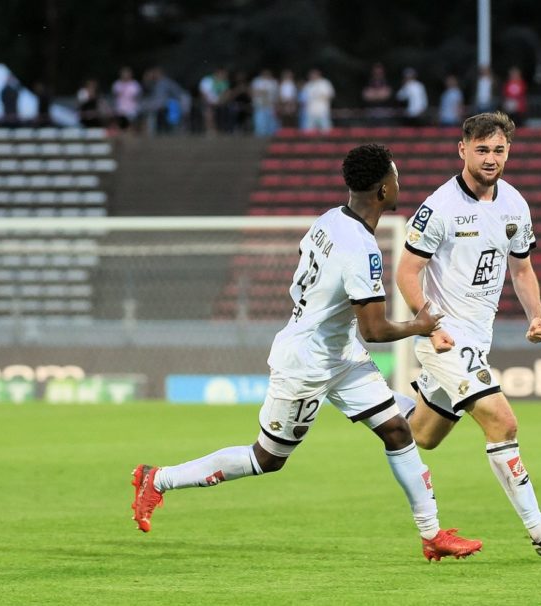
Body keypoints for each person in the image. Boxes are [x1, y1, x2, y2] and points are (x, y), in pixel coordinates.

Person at [131, 144, 483, 561]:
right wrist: (420, 327)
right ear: (384, 190)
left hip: (340, 354)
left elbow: (308, 265)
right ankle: (158, 479)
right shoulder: (361, 248)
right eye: (396, 176)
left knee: (396, 430)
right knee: (267, 458)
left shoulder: (329, 220)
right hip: (307, 364)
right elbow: (374, 329)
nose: (399, 182)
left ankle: (432, 534)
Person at [395, 112, 541, 561]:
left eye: (498, 150)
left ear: (508, 152)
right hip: (445, 338)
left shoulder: (515, 204)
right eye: (481, 149)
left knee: (424, 435)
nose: (490, 158)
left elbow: (522, 269)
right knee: (503, 423)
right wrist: (432, 325)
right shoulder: (440, 206)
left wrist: (536, 317)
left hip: (476, 340)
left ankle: (364, 395)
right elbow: (407, 271)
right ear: (462, 149)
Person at [112, 66, 143, 131]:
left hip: (132, 108)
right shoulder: (117, 84)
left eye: (127, 74)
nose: (125, 76)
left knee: (131, 119)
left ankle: (132, 131)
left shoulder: (135, 84)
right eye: (124, 74)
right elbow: (115, 95)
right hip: (120, 108)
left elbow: (137, 96)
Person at [250, 69, 279, 137]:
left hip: (270, 105)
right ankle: (260, 134)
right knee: (260, 120)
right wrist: (263, 92)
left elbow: (276, 94)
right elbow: (253, 92)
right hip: (260, 104)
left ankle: (271, 134)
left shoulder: (273, 82)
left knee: (271, 121)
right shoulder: (257, 81)